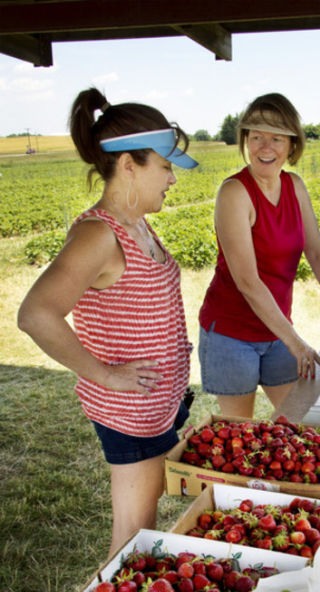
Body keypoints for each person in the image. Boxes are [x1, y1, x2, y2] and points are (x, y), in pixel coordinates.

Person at [17, 87, 197, 558]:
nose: (173, 179)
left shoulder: (137, 222)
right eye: (166, 165)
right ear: (129, 165)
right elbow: (36, 314)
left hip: (157, 404)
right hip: (130, 413)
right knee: (134, 540)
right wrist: (106, 374)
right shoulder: (99, 233)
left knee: (147, 528)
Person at [198, 93, 320, 417]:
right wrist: (296, 343)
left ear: (291, 145)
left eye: (276, 138)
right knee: (239, 434)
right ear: (245, 141)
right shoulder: (234, 193)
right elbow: (247, 281)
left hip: (278, 328)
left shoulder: (294, 186)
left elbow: (317, 252)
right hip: (231, 334)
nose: (265, 147)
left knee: (298, 421)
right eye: (256, 137)